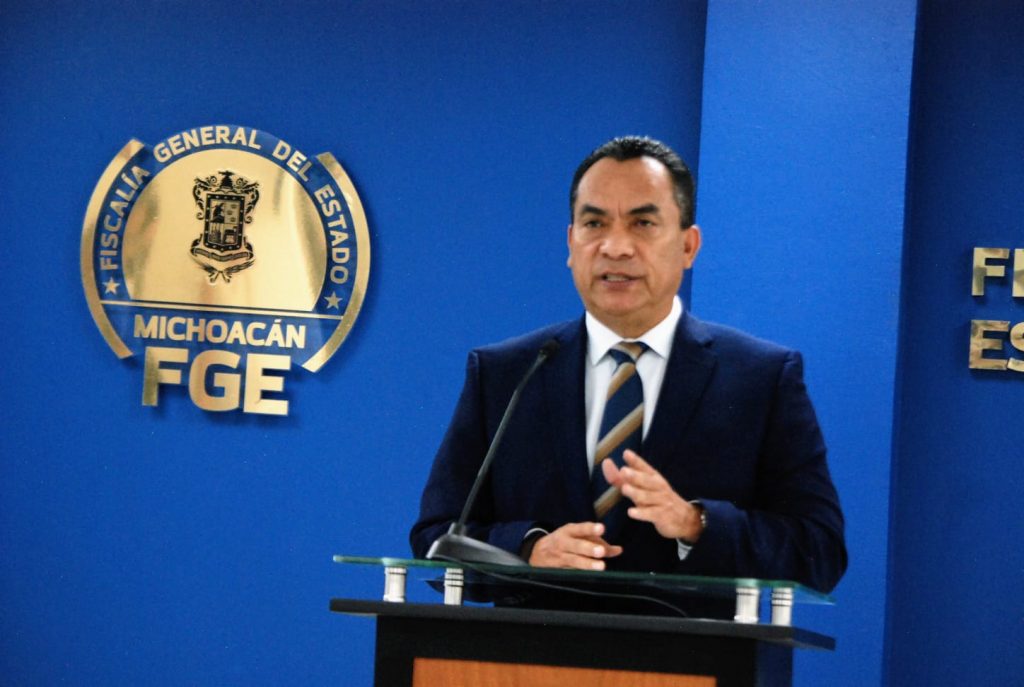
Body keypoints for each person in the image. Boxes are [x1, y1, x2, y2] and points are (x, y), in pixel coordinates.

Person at [410, 136, 846, 593]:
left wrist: (696, 524)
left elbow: (820, 551)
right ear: (571, 243)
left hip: (690, 640)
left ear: (689, 246)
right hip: (535, 639)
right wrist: (528, 550)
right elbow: (436, 537)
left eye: (643, 223)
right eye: (594, 223)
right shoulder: (507, 373)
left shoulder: (761, 378)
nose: (616, 247)